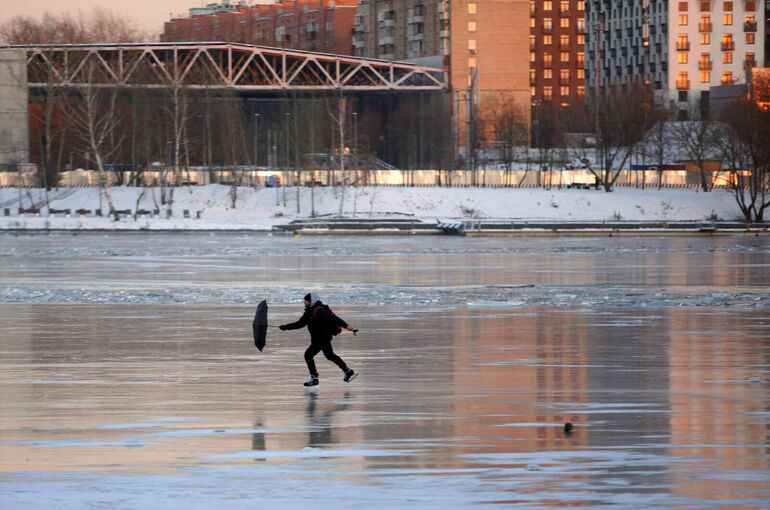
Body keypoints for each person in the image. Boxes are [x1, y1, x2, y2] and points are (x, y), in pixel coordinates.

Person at [279, 293, 358, 387]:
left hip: (322, 337)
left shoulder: (319, 310)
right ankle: (348, 371)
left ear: (311, 301)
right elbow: (300, 323)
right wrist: (286, 327)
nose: (304, 302)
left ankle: (314, 378)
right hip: (319, 337)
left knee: (308, 355)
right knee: (330, 355)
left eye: (306, 300)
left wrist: (346, 326)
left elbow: (333, 318)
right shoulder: (309, 311)